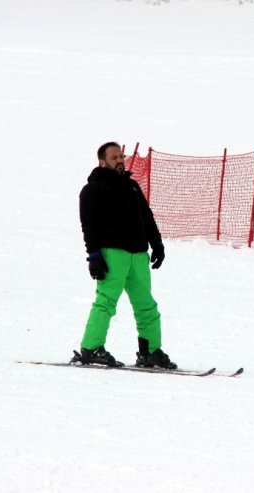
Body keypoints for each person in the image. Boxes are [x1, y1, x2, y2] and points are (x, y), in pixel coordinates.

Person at [73, 141, 177, 369]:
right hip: (113, 254)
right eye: (114, 157)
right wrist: (94, 255)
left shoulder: (132, 186)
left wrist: (157, 243)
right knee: (106, 303)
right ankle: (91, 348)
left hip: (138, 255)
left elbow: (146, 216)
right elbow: (88, 224)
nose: (120, 160)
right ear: (102, 162)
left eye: (121, 156)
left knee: (147, 305)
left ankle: (150, 351)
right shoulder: (92, 189)